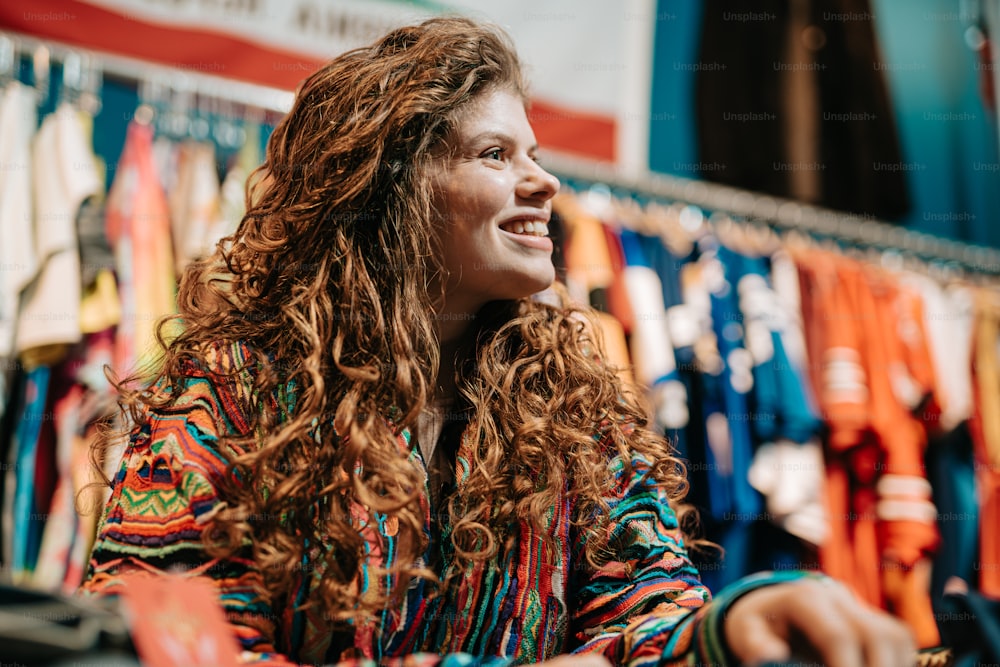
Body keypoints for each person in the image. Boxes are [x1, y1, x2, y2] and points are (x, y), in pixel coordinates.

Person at [80, 16, 917, 667]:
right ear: (389, 189)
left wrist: (733, 628)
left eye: (537, 153)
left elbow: (650, 611)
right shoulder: (231, 391)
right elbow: (163, 632)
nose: (545, 180)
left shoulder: (572, 411)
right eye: (494, 152)